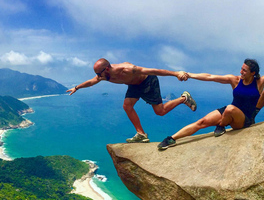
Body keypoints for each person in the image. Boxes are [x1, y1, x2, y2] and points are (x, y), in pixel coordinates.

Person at [158, 59, 264, 150]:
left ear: (253, 73)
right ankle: (171, 139)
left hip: (244, 119)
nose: (241, 72)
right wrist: (189, 75)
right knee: (202, 122)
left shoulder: (260, 82)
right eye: (241, 68)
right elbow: (210, 77)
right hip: (229, 112)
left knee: (230, 109)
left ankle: (221, 125)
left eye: (244, 70)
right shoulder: (235, 80)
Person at [67, 58, 197, 143]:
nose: (98, 77)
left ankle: (184, 98)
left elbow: (154, 70)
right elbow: (91, 82)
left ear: (106, 69)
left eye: (99, 73)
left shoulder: (128, 69)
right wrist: (77, 87)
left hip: (148, 81)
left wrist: (176, 73)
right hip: (134, 86)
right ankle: (141, 134)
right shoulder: (104, 76)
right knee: (127, 106)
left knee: (160, 111)